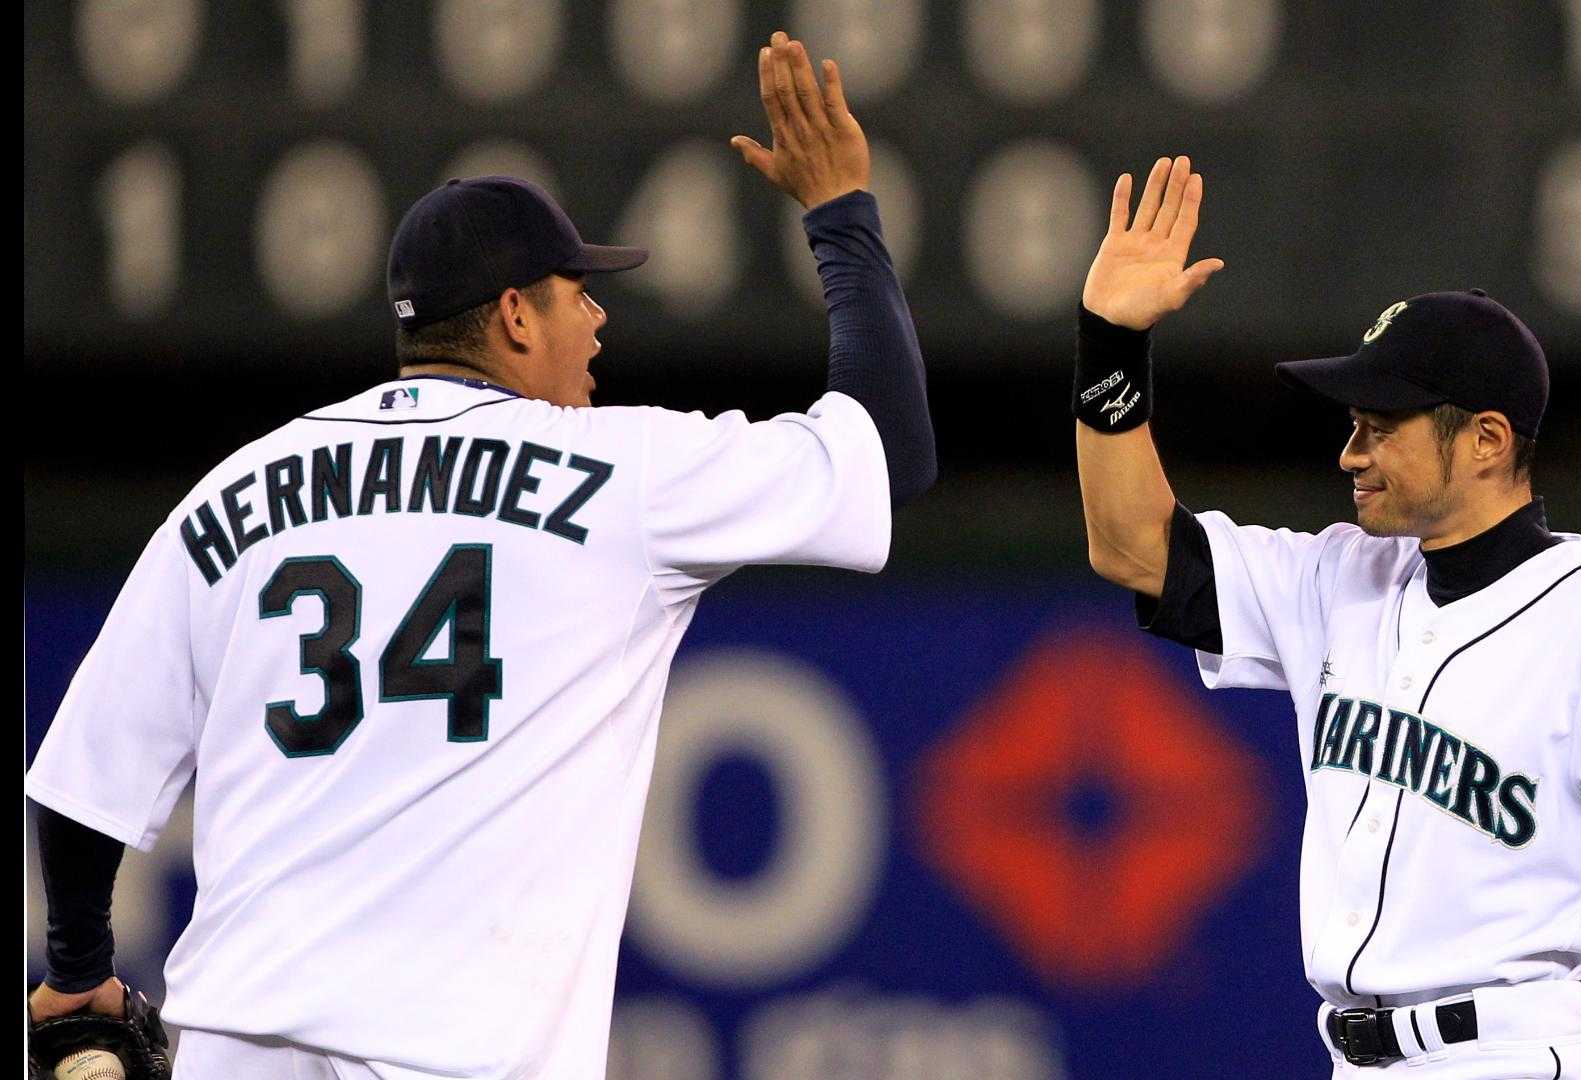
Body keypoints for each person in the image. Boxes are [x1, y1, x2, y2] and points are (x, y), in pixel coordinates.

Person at [26, 30, 933, 1079]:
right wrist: (841, 215)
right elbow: (891, 456)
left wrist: (80, 964)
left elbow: (88, 777)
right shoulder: (624, 473)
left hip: (243, 1045)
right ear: (512, 315)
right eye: (574, 291)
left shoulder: (239, 490)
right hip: (459, 1054)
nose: (596, 316)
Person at [1071, 155, 1581, 1079]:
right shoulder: (1337, 578)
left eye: (1381, 426)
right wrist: (1111, 347)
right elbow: (1131, 546)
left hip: (1512, 1055)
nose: (1349, 451)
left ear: (1485, 441)